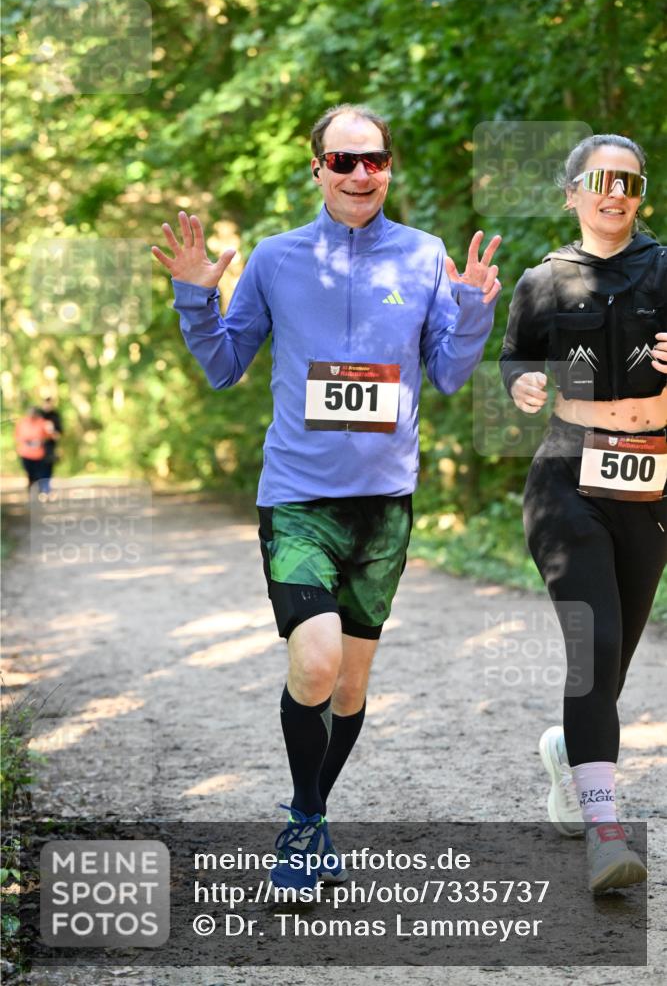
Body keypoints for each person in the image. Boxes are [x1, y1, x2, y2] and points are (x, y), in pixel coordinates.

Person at [153, 104, 501, 890]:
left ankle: (309, 819)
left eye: (372, 160)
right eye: (342, 161)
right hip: (298, 498)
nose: (359, 174)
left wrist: (474, 309)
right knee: (312, 663)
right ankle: (305, 826)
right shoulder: (276, 259)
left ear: (388, 167)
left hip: (384, 504)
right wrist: (192, 297)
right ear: (316, 169)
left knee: (348, 684)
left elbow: (446, 372)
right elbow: (223, 363)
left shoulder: (422, 256)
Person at [500, 134, 666, 892]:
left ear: (640, 195)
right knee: (592, 644)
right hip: (567, 473)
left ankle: (572, 758)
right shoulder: (543, 280)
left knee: (612, 664)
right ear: (571, 192)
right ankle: (606, 833)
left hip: (651, 487)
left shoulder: (665, 269)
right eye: (598, 179)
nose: (614, 190)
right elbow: (515, 360)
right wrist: (522, 387)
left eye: (628, 180)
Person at [14, 406, 57, 495]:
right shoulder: (22, 423)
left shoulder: (42, 422)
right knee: (30, 473)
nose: (32, 416)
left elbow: (50, 435)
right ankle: (31, 488)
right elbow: (17, 436)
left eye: (34, 414)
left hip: (39, 454)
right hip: (25, 453)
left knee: (39, 473)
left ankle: (39, 489)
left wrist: (43, 438)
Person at [38, 397, 63, 486]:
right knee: (38, 469)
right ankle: (38, 488)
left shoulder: (55, 416)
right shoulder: (38, 415)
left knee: (48, 468)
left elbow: (59, 432)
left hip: (50, 447)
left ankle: (46, 489)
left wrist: (52, 432)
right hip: (37, 447)